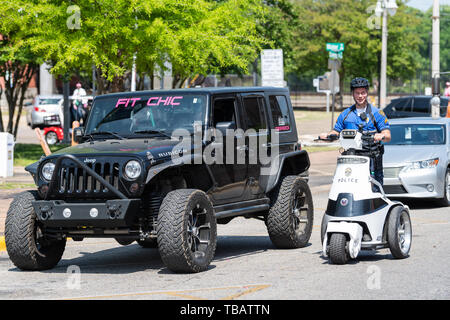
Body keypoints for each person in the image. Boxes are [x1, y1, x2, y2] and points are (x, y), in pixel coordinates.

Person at [320, 77, 391, 188]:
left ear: (367, 93)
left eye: (363, 92)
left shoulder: (377, 113)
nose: (360, 96)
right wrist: (328, 135)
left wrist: (381, 135)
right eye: (357, 93)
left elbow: (387, 136)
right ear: (352, 94)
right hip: (351, 158)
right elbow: (336, 131)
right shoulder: (345, 114)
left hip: (371, 158)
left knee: (374, 189)